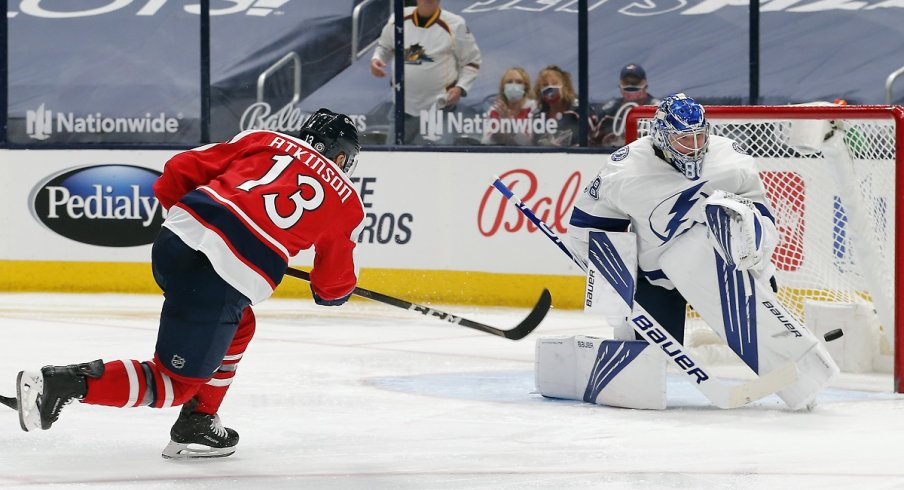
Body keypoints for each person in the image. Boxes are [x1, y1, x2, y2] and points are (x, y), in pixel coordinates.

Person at [13, 108, 366, 459]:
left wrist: (200, 228)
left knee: (240, 325)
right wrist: (331, 289)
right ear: (340, 155)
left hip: (174, 243)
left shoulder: (261, 140)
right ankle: (62, 382)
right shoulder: (347, 199)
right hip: (218, 281)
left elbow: (177, 172)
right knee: (172, 385)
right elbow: (331, 287)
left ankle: (199, 421)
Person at [537, 94, 838, 411]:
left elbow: (762, 218)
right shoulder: (624, 171)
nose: (694, 146)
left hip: (726, 265)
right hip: (657, 279)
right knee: (640, 375)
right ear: (662, 137)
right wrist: (612, 284)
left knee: (734, 216)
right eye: (683, 139)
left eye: (699, 136)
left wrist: (759, 263)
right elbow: (591, 227)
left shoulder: (729, 160)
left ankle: (797, 369)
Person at [370, 0, 481, 144]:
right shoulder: (398, 18)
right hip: (403, 108)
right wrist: (377, 59)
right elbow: (384, 47)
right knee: (394, 161)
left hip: (440, 109)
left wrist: (460, 88)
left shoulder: (456, 24)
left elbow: (471, 61)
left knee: (440, 162)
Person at [590, 63, 659, 148]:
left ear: (645, 85)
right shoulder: (608, 112)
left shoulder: (656, 110)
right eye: (626, 82)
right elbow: (592, 144)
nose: (630, 85)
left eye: (635, 82)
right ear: (620, 86)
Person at [481, 66, 537, 146]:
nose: (514, 85)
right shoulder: (495, 110)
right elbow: (486, 142)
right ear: (503, 88)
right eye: (509, 82)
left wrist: (509, 122)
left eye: (519, 82)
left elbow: (528, 142)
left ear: (526, 87)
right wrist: (500, 130)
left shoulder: (533, 108)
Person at [532, 65, 580, 147]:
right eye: (545, 85)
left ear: (565, 87)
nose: (550, 87)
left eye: (555, 83)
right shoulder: (537, 118)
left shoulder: (578, 112)